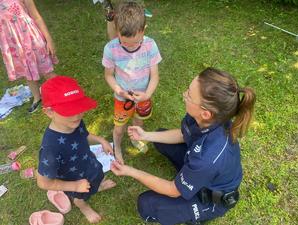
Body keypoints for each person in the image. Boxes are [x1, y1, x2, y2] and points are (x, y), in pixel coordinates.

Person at [111, 67, 256, 225]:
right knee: (159, 138)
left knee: (146, 205)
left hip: (209, 198)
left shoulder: (207, 158)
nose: (184, 95)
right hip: (201, 167)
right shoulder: (207, 117)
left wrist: (131, 171)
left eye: (189, 95)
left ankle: (195, 215)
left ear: (206, 113)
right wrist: (145, 135)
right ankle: (188, 179)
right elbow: (183, 134)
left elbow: (173, 191)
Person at [36, 76, 116, 224]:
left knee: (97, 177)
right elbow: (43, 182)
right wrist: (74, 186)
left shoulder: (75, 121)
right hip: (74, 178)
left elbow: (83, 135)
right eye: (69, 110)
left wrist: (100, 140)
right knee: (81, 195)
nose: (77, 114)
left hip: (89, 164)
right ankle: (82, 206)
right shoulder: (51, 148)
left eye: (79, 108)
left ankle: (97, 186)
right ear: (49, 112)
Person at [102, 1, 162, 163]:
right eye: (124, 42)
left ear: (143, 30)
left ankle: (136, 138)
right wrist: (118, 90)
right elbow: (108, 75)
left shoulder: (150, 45)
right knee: (119, 128)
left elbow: (155, 76)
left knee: (138, 121)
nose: (129, 47)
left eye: (134, 42)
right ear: (117, 31)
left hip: (143, 97)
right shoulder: (111, 48)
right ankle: (117, 146)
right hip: (122, 99)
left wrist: (147, 95)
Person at [0, 0, 58, 113]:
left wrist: (49, 40)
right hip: (13, 44)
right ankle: (37, 97)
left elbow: (37, 17)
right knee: (26, 72)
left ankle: (63, 91)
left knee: (46, 70)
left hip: (30, 38)